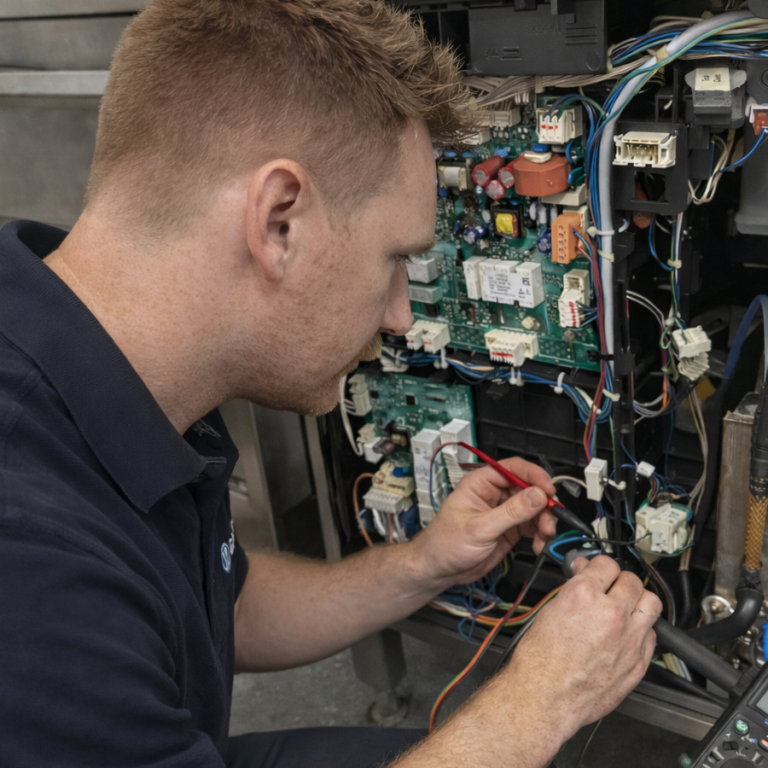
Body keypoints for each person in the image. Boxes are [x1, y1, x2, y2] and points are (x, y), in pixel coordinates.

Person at [0, 1, 661, 766]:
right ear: (279, 221)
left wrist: (421, 566)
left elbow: (219, 608)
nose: (400, 318)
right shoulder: (28, 558)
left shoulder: (112, 365)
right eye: (394, 262)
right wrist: (538, 705)